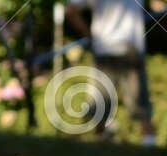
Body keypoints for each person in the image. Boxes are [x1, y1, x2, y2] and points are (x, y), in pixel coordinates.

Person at [67, 0, 156, 142]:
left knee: (100, 107)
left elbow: (71, 10)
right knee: (141, 106)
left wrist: (88, 35)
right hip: (130, 49)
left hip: (104, 47)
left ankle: (101, 142)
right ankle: (150, 144)